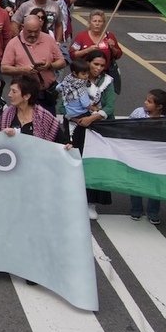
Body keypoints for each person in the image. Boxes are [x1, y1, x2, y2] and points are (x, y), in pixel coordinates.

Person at [68, 51, 116, 219]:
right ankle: (72, 200)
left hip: (98, 127)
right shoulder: (74, 80)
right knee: (75, 162)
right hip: (76, 125)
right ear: (87, 63)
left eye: (102, 65)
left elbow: (110, 106)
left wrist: (92, 118)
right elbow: (62, 104)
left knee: (95, 164)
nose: (98, 68)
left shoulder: (108, 82)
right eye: (95, 64)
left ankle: (91, 202)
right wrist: (76, 117)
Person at [0, 14, 65, 115]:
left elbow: (62, 62)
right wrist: (23, 70)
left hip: (45, 96)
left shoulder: (49, 39)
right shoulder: (13, 43)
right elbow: (4, 68)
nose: (33, 35)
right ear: (22, 27)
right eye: (30, 31)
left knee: (49, 128)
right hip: (24, 97)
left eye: (36, 31)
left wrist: (50, 66)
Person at [129, 89, 166, 224]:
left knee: (154, 182)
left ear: (159, 107)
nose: (145, 103)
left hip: (155, 157)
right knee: (135, 181)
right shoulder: (138, 113)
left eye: (149, 102)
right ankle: (136, 208)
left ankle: (153, 211)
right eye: (146, 100)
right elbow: (127, 128)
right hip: (137, 154)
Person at [70, 9, 123, 94]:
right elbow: (73, 54)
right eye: (95, 21)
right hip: (84, 75)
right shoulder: (81, 36)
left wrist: (112, 48)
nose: (97, 23)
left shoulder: (109, 36)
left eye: (100, 21)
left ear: (103, 23)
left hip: (103, 74)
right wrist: (88, 50)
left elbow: (118, 55)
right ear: (90, 22)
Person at [0, 73, 60, 141]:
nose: (9, 95)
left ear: (27, 96)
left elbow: (63, 143)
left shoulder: (44, 117)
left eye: (14, 92)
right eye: (10, 90)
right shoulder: (6, 114)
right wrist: (4, 134)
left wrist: (68, 146)